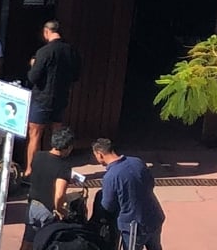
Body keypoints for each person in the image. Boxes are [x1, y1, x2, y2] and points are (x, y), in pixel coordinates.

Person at [27, 20, 81, 175]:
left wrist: (33, 64)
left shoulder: (44, 52)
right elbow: (76, 75)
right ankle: (56, 169)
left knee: (35, 134)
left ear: (46, 32)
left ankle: (31, 170)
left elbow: (33, 77)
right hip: (61, 98)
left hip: (42, 99)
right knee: (58, 135)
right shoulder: (71, 51)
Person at [92, 137, 165, 250]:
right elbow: (150, 183)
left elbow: (108, 206)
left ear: (100, 154)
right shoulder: (137, 162)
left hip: (135, 227)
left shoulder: (111, 176)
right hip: (154, 216)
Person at [26, 127, 79, 233]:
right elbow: (59, 194)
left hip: (32, 205)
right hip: (47, 210)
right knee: (47, 241)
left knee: (27, 242)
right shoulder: (64, 166)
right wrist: (60, 210)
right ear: (68, 148)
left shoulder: (38, 156)